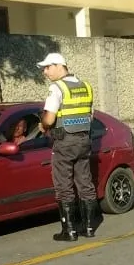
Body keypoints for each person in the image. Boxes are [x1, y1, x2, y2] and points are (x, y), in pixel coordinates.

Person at [37, 52, 98, 241]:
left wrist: (43, 125)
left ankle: (69, 231)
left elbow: (49, 118)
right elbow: (90, 116)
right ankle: (88, 228)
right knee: (85, 183)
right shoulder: (86, 87)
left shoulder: (57, 88)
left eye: (47, 68)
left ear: (58, 66)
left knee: (64, 186)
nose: (45, 72)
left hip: (64, 142)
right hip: (84, 141)